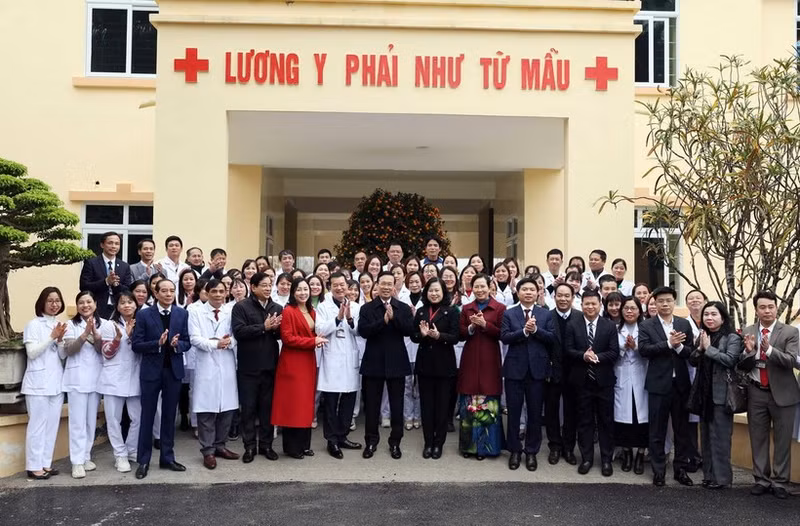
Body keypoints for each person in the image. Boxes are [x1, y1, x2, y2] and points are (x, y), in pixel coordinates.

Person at [739, 290, 800, 499]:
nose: (767, 311)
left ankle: (780, 482)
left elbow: (792, 360)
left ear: (776, 308)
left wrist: (770, 350)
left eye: (770, 307)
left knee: (782, 440)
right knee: (758, 438)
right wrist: (748, 352)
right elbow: (742, 366)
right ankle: (761, 480)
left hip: (783, 393)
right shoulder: (747, 330)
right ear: (756, 310)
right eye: (762, 307)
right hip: (757, 391)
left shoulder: (790, 332)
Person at [132, 278, 191, 479]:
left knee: (168, 416)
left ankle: (167, 457)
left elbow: (187, 342)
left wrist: (176, 344)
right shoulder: (144, 314)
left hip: (173, 371)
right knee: (147, 416)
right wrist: (157, 344)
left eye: (171, 291)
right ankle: (144, 460)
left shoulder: (181, 313)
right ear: (155, 294)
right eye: (163, 291)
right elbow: (136, 344)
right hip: (151, 372)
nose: (168, 294)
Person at [639, 286, 695, 487]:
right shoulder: (647, 325)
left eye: (669, 300)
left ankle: (680, 469)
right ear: (654, 303)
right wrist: (668, 344)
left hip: (680, 385)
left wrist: (679, 347)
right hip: (658, 385)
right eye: (660, 301)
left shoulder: (683, 324)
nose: (664, 304)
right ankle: (659, 470)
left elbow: (690, 352)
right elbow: (644, 350)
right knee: (657, 430)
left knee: (682, 430)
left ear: (674, 302)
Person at [358, 270, 415, 459]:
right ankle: (371, 442)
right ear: (377, 284)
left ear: (395, 286)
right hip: (373, 362)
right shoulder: (367, 308)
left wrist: (394, 318)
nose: (386, 287)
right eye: (383, 284)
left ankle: (395, 442)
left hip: (396, 362)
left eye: (390, 284)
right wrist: (382, 321)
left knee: (396, 405)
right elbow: (363, 331)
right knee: (372, 406)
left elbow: (409, 331)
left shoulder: (403, 308)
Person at [501, 277, 556, 471]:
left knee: (534, 413)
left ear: (537, 293)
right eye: (524, 289)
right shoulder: (509, 313)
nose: (528, 292)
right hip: (514, 370)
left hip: (537, 371)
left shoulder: (545, 314)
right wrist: (524, 332)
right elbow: (505, 337)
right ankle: (515, 450)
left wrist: (536, 330)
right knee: (514, 412)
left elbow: (551, 338)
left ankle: (531, 451)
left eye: (532, 289)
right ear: (518, 292)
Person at [565, 289, 619, 477]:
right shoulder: (573, 325)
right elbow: (568, 350)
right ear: (581, 305)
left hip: (604, 382)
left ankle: (606, 460)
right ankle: (586, 458)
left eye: (593, 303)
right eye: (586, 304)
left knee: (606, 422)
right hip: (582, 382)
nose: (590, 307)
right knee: (585, 422)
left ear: (599, 305)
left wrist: (596, 357)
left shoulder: (609, 326)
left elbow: (614, 353)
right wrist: (583, 356)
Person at [689, 301, 743, 490]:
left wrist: (709, 349)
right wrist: (701, 348)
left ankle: (723, 479)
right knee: (706, 437)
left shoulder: (732, 337)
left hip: (722, 394)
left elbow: (730, 360)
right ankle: (709, 475)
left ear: (722, 317)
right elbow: (694, 360)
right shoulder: (704, 335)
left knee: (720, 438)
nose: (709, 318)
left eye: (713, 314)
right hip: (704, 393)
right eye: (706, 315)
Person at [272, 279, 327, 458]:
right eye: (299, 289)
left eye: (306, 289)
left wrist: (316, 338)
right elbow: (287, 338)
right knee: (293, 405)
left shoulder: (311, 310)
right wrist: (313, 341)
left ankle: (304, 445)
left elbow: (311, 333)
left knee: (305, 404)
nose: (303, 292)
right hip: (293, 363)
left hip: (307, 360)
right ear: (293, 292)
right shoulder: (288, 311)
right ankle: (292, 447)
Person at [188, 280, 240, 470]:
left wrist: (229, 342)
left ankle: (220, 445)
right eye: (214, 291)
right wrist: (215, 344)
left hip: (226, 362)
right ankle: (208, 451)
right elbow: (194, 338)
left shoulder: (231, 311)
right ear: (207, 293)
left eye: (221, 291)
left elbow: (237, 334)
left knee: (227, 409)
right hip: (206, 363)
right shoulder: (195, 311)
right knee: (207, 410)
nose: (218, 295)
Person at [231, 272, 282, 463]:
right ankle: (249, 447)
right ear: (253, 287)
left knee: (267, 409)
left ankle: (267, 445)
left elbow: (279, 336)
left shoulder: (276, 307)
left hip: (270, 366)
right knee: (249, 409)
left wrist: (277, 329)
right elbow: (239, 332)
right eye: (264, 285)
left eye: (270, 285)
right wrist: (264, 327)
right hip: (248, 368)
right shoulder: (241, 307)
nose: (268, 288)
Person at [458, 274, 506, 460]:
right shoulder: (466, 308)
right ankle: (469, 447)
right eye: (476, 287)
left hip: (490, 360)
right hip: (470, 359)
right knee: (469, 402)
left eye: (482, 286)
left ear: (490, 287)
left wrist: (485, 324)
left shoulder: (499, 308)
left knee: (488, 403)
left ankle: (487, 448)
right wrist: (471, 327)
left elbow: (503, 333)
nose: (479, 290)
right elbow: (460, 333)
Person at [411, 278, 459, 459]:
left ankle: (439, 444)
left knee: (441, 407)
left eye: (437, 290)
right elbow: (413, 335)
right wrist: (422, 335)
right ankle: (428, 442)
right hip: (425, 366)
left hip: (444, 366)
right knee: (427, 406)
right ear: (426, 292)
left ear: (443, 292)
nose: (434, 293)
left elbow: (456, 337)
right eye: (431, 290)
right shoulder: (422, 311)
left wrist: (439, 335)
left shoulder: (452, 311)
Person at [316, 272, 363, 459]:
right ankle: (332, 440)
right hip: (332, 359)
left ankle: (343, 436)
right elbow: (319, 330)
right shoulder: (323, 307)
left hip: (349, 360)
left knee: (348, 401)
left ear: (347, 286)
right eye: (335, 285)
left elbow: (360, 332)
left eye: (342, 285)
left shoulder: (357, 307)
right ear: (330, 287)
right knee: (330, 403)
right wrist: (337, 318)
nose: (340, 288)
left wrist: (350, 319)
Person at [22, 287, 67, 480]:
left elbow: (62, 356)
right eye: (50, 300)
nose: (54, 304)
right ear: (42, 302)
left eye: (57, 300)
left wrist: (61, 341)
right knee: (37, 425)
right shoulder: (33, 325)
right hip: (37, 383)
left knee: (51, 425)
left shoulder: (59, 324)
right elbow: (32, 353)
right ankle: (33, 466)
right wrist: (52, 337)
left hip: (55, 383)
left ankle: (45, 463)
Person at [62, 291, 104, 479]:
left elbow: (102, 350)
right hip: (76, 380)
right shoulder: (70, 325)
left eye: (88, 302)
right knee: (77, 422)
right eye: (81, 302)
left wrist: (95, 335)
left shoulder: (104, 324)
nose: (85, 305)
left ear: (95, 303)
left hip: (95, 379)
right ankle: (76, 462)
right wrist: (85, 333)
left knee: (89, 422)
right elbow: (70, 350)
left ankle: (86, 455)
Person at [99, 291, 141, 473]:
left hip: (135, 377)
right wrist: (118, 339)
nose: (127, 305)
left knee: (137, 418)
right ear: (117, 306)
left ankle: (131, 449)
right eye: (122, 302)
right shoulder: (109, 325)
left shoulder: (142, 322)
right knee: (114, 419)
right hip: (113, 379)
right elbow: (106, 353)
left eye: (130, 302)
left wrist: (131, 335)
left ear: (136, 305)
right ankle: (119, 455)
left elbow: (142, 349)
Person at [614, 296, 649, 476]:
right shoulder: (615, 329)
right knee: (623, 419)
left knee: (641, 418)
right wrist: (623, 348)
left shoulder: (646, 329)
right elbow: (611, 352)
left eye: (633, 308)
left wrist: (635, 347)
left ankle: (640, 455)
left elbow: (651, 352)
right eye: (626, 308)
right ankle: (627, 453)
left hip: (642, 377)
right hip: (622, 377)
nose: (629, 311)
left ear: (639, 311)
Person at [79, 231, 133, 318]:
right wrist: (106, 282)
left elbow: (127, 289)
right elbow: (84, 286)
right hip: (97, 308)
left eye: (117, 244)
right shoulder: (91, 263)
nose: (113, 246)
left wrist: (116, 285)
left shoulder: (124, 266)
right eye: (110, 243)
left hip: (118, 309)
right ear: (102, 245)